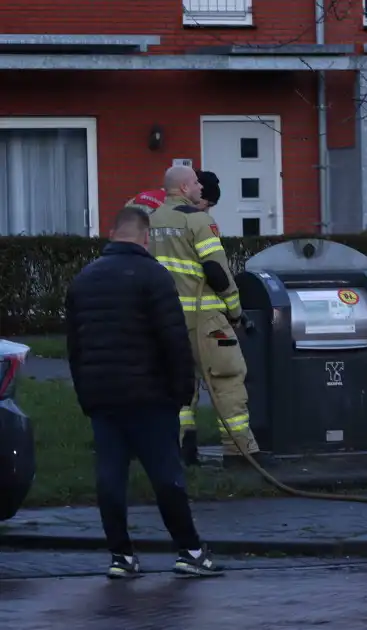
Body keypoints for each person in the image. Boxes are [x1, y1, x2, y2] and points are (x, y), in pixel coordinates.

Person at [65, 206, 223, 579]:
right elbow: (173, 339)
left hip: (103, 396)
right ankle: (190, 551)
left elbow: (75, 346)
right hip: (149, 395)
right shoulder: (154, 276)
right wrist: (182, 389)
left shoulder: (84, 279)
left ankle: (121, 556)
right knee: (166, 475)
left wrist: (86, 394)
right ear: (145, 236)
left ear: (112, 231)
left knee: (110, 476)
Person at [148, 166, 263, 467]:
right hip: (206, 321)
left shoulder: (150, 221)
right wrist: (236, 313)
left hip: (165, 322)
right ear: (185, 188)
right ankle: (240, 452)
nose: (201, 187)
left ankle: (182, 450)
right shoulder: (199, 220)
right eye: (196, 183)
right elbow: (216, 271)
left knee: (179, 386)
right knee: (228, 379)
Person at [127, 171, 222, 466]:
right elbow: (211, 267)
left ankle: (168, 447)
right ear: (193, 192)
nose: (205, 211)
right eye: (207, 205)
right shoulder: (181, 216)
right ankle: (177, 449)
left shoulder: (146, 204)